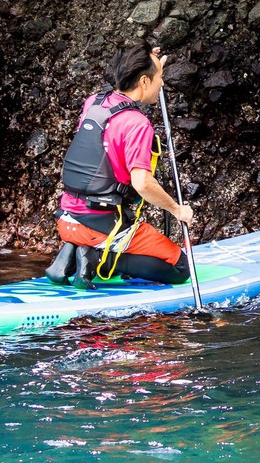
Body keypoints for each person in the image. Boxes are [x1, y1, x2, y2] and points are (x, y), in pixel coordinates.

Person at [45, 47, 195, 286]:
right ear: (144, 80)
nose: (162, 84)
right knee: (179, 269)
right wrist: (177, 210)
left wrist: (151, 61)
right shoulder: (137, 124)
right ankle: (95, 259)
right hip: (103, 226)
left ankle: (73, 252)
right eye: (159, 78)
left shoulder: (92, 103)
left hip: (67, 219)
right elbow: (142, 184)